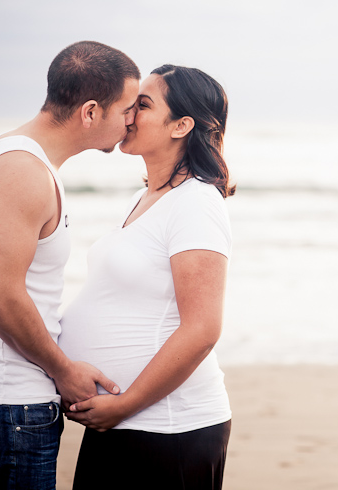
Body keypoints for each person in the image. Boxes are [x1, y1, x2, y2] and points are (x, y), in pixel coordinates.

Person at [0, 41, 141, 490]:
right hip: (5, 406)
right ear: (90, 112)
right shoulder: (25, 173)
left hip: (2, 404)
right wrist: (64, 371)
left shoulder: (15, 154)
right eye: (127, 108)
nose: (133, 120)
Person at [58, 65, 235, 490]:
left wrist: (126, 405)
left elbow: (202, 329)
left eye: (143, 104)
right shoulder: (149, 196)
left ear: (181, 125)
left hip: (168, 428)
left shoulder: (195, 202)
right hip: (127, 424)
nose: (128, 113)